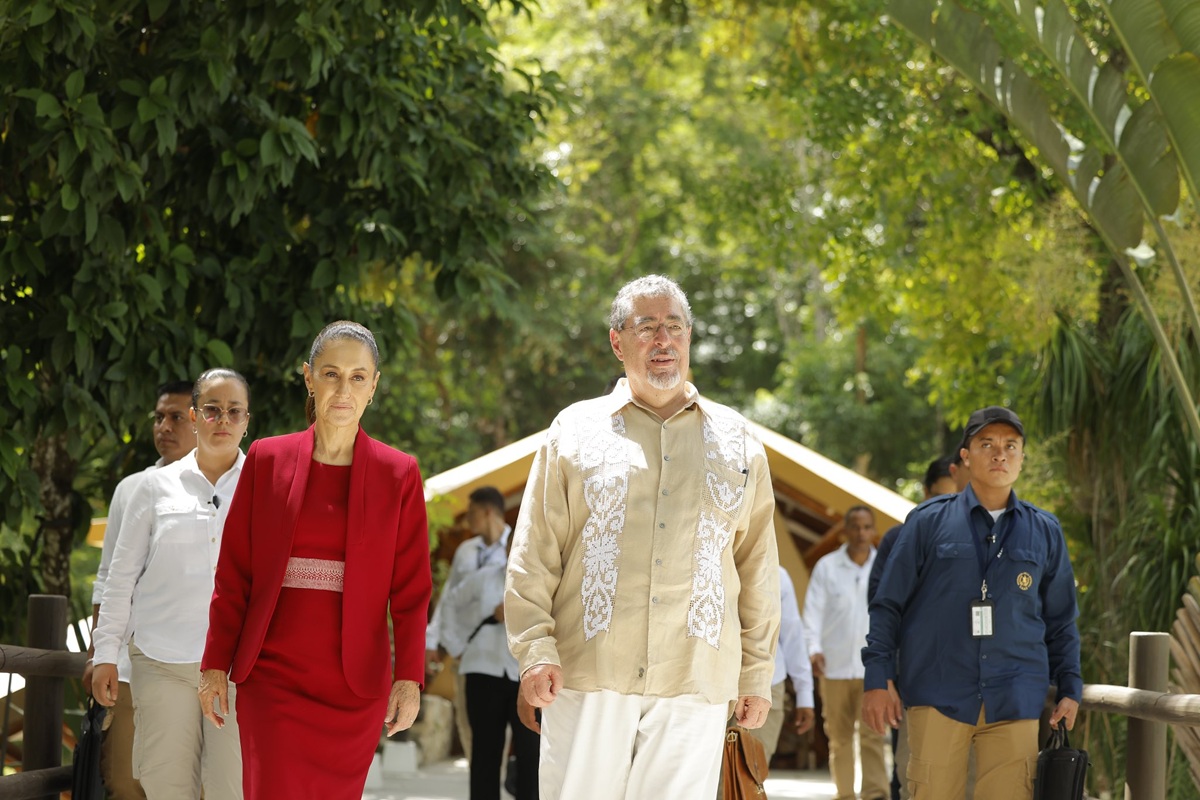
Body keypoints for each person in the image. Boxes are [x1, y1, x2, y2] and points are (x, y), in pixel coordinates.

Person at [505, 274, 781, 800]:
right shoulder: (574, 430)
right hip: (589, 672)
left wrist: (756, 673)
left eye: (675, 327)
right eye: (647, 327)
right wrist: (535, 649)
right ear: (617, 341)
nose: (663, 341)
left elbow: (757, 568)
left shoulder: (738, 440)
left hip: (696, 676)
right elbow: (534, 552)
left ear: (690, 338)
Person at [199, 321, 432, 800]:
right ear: (308, 378)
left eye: (358, 377)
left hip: (353, 688)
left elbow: (411, 590)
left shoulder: (399, 473)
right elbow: (234, 573)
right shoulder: (266, 458)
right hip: (272, 675)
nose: (343, 389)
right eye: (330, 374)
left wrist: (409, 679)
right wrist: (213, 664)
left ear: (374, 385)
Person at [863, 406, 1082, 800]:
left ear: (1021, 458)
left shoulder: (1045, 530)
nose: (1000, 454)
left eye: (1010, 446)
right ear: (965, 457)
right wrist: (878, 678)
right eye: (987, 444)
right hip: (937, 691)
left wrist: (1070, 686)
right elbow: (887, 604)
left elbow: (1061, 620)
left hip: (1015, 696)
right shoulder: (927, 522)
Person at [92, 369, 251, 800]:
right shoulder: (153, 486)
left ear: (246, 421)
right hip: (162, 661)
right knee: (165, 787)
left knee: (230, 789)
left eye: (233, 412)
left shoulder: (265, 484)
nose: (223, 420)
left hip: (239, 669)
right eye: (213, 410)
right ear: (196, 416)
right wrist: (106, 652)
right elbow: (120, 577)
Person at [83, 380, 194, 800]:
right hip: (130, 667)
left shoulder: (224, 491)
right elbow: (108, 577)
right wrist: (99, 653)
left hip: (199, 668)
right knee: (125, 781)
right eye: (159, 417)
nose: (164, 426)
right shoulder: (131, 489)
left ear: (200, 422)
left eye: (176, 417)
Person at [866, 456, 958, 800]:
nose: (947, 505)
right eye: (938, 496)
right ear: (925, 492)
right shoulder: (899, 538)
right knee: (907, 771)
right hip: (912, 676)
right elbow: (881, 606)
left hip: (971, 682)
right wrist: (884, 676)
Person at [440, 501, 539, 800]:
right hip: (483, 672)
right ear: (507, 547)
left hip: (528, 676)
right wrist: (457, 645)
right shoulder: (482, 579)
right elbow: (449, 608)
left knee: (531, 756)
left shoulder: (545, 586)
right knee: (485, 755)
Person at [803, 505, 889, 800]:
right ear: (845, 530)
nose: (861, 533)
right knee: (838, 738)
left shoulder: (885, 568)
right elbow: (812, 612)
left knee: (874, 734)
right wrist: (813, 649)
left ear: (874, 531)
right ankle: (844, 795)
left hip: (873, 670)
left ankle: (876, 794)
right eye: (855, 527)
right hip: (835, 667)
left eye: (867, 527)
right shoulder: (827, 567)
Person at [427, 486, 514, 760]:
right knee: (471, 728)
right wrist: (440, 641)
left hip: (506, 656)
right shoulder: (466, 550)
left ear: (488, 512)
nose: (467, 521)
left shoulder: (519, 543)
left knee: (506, 736)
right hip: (467, 652)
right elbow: (448, 597)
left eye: (472, 513)